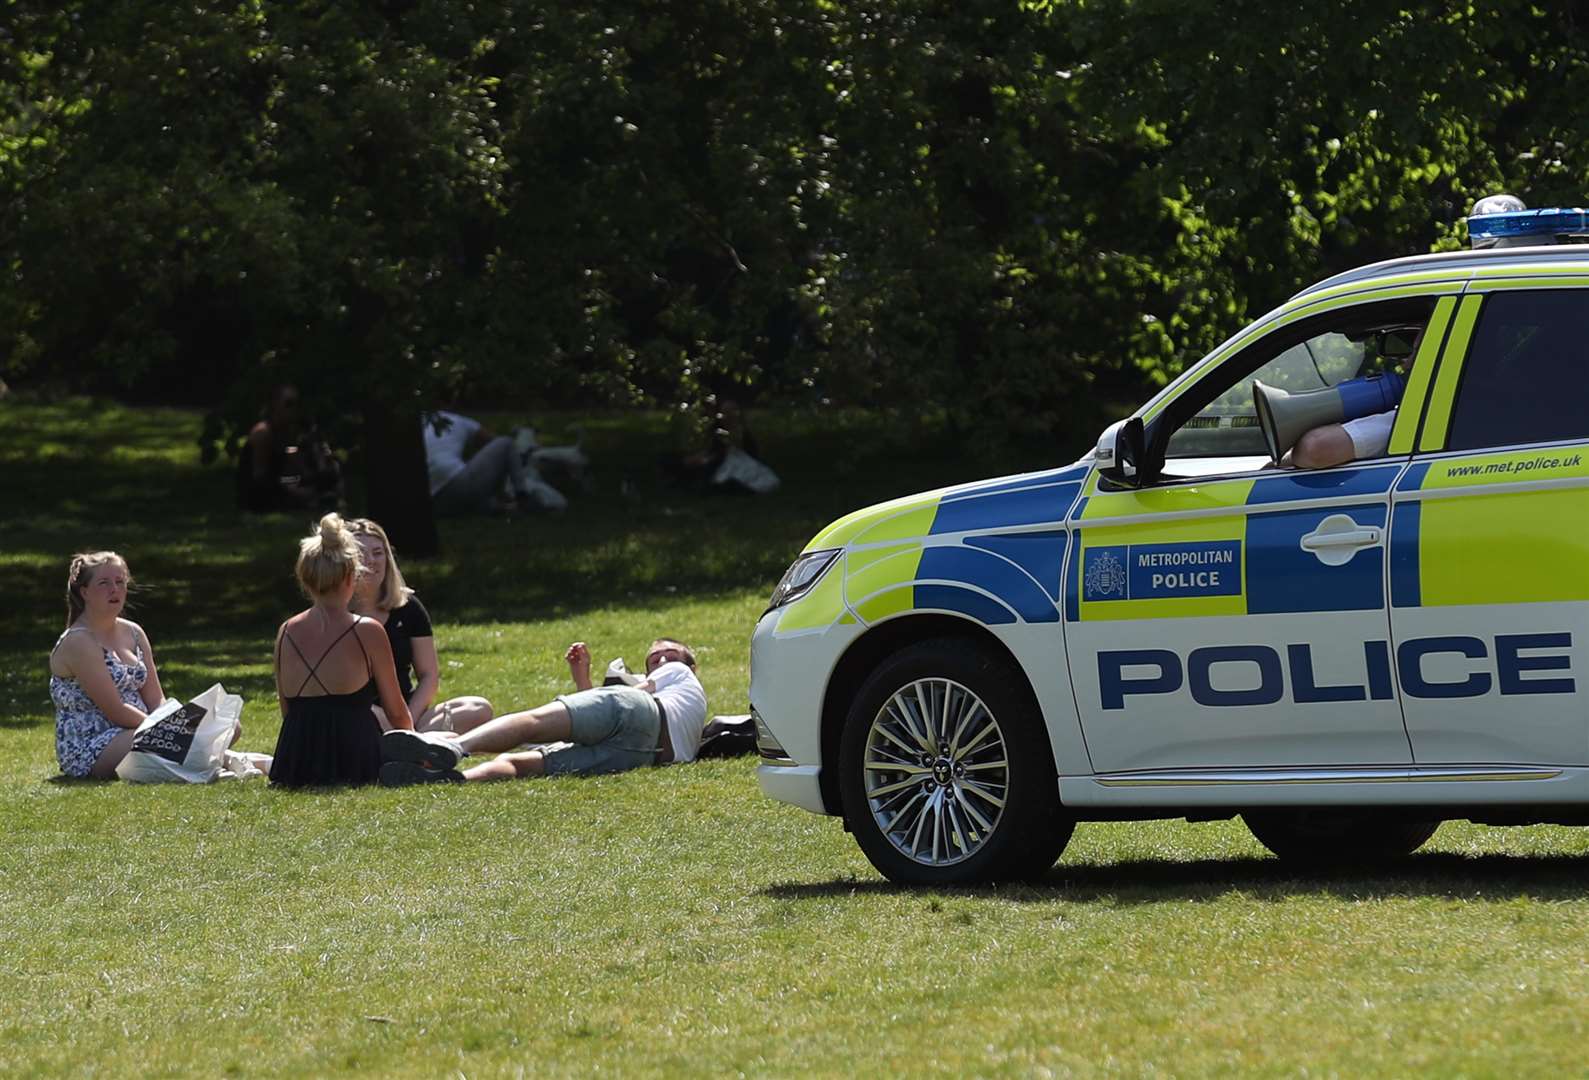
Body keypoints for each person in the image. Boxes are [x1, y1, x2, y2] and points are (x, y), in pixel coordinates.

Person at [379, 637, 708, 785]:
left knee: (533, 723)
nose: (663, 660)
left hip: (640, 714)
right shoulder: (691, 713)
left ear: (691, 666)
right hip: (644, 755)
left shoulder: (678, 674)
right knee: (525, 765)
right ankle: (451, 779)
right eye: (655, 658)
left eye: (672, 654)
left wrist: (594, 690)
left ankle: (454, 747)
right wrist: (583, 679)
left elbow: (627, 700)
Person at [269, 514, 415, 788]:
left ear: (306, 579)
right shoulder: (367, 631)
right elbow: (396, 712)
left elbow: (287, 709)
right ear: (351, 575)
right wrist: (413, 751)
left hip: (297, 761)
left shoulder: (286, 631)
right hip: (355, 759)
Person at [345, 518, 494, 735]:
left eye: (378, 553)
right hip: (359, 712)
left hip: (407, 712)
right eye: (361, 554)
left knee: (478, 708)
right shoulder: (336, 612)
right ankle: (414, 746)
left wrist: (408, 723)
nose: (371, 561)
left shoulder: (408, 606)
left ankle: (408, 743)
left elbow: (428, 675)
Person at [49, 552, 167, 779]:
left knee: (223, 721)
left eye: (120, 582)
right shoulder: (79, 641)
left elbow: (155, 698)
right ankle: (228, 760)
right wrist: (167, 730)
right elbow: (115, 710)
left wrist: (172, 720)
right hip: (94, 746)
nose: (114, 589)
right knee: (167, 741)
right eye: (104, 583)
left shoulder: (134, 632)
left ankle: (227, 760)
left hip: (142, 730)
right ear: (84, 592)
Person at [423, 409, 564, 515]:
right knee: (505, 443)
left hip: (432, 503)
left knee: (475, 497)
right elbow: (495, 445)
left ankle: (501, 506)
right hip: (457, 486)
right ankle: (523, 498)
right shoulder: (459, 420)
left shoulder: (415, 421)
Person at [237, 384, 344, 513]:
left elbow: (292, 465)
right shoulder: (263, 432)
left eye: (296, 404)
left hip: (278, 486)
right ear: (275, 405)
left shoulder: (288, 431)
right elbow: (260, 478)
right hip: (259, 495)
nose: (293, 409)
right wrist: (291, 490)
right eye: (288, 404)